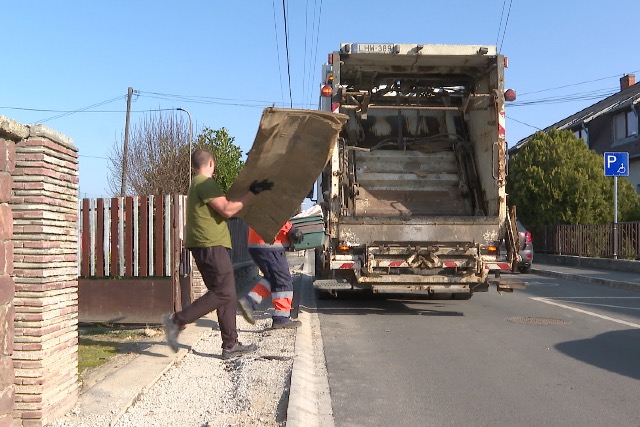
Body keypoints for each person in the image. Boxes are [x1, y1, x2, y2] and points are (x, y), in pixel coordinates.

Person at [163, 148, 273, 359]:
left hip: (207, 245)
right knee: (223, 293)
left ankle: (230, 345)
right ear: (211, 163)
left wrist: (244, 199)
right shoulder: (204, 183)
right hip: (211, 245)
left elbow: (225, 211)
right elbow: (228, 209)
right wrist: (253, 192)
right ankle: (177, 320)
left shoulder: (197, 186)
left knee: (227, 294)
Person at [237, 221, 304, 329]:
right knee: (283, 281)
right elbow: (274, 214)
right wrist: (290, 229)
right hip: (270, 244)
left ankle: (249, 302)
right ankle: (281, 319)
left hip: (261, 242)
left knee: (273, 278)